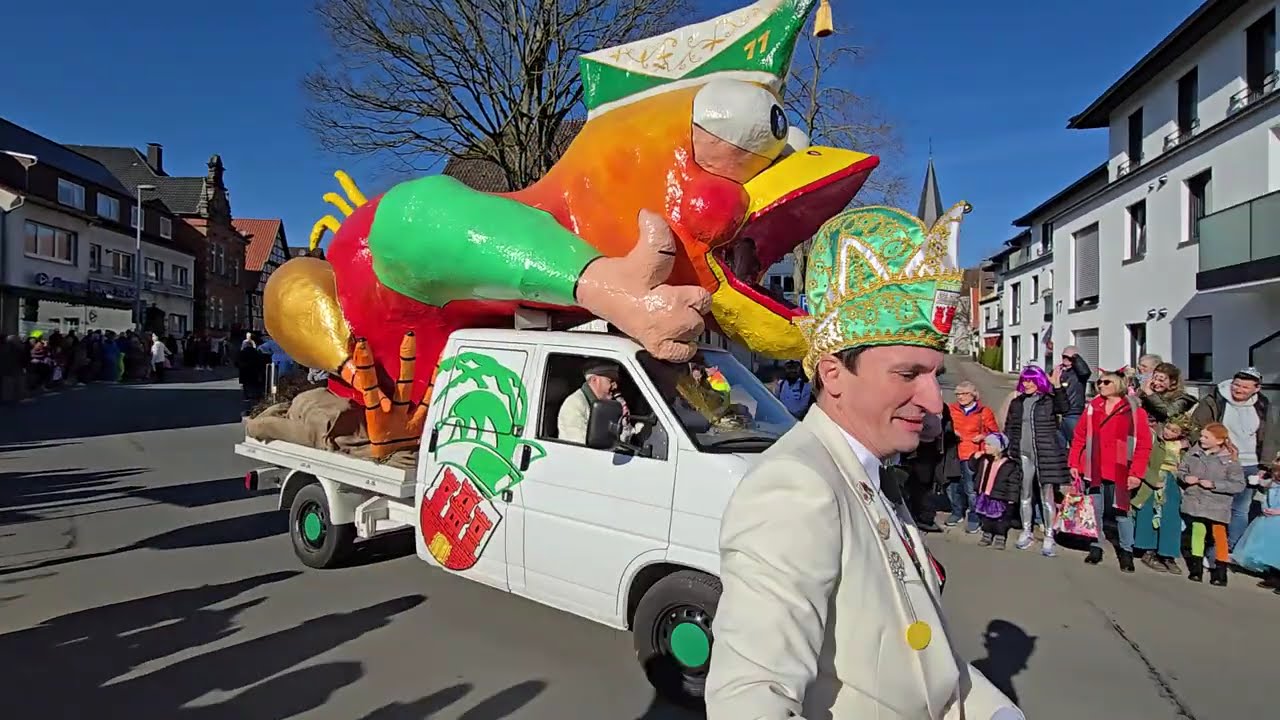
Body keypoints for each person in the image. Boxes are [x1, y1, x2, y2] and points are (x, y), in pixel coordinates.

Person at [706, 202, 1020, 720]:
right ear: (832, 374)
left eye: (934, 375)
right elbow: (751, 696)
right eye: (907, 374)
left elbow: (928, 661)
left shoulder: (868, 468)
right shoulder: (796, 486)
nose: (933, 400)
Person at [1068, 368, 1152, 573]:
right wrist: (1074, 463)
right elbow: (1079, 437)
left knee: (1121, 512)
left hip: (1122, 468)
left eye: (1106, 382)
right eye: (1100, 382)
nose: (1101, 386)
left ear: (1119, 385)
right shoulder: (1092, 408)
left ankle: (1126, 551)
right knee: (1095, 510)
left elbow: (1143, 445)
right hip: (1094, 466)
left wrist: (1136, 473)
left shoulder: (1134, 411)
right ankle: (1095, 546)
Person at [1190, 367, 1269, 549]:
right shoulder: (1216, 400)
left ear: (1256, 389)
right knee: (1216, 507)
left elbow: (1270, 434)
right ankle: (1210, 546)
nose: (1239, 390)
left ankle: (1231, 547)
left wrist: (1265, 463)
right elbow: (1197, 426)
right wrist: (1211, 449)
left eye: (1245, 387)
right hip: (1220, 461)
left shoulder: (1262, 404)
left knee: (1240, 509)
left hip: (1250, 463)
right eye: (1236, 385)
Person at [1005, 365, 1070, 557]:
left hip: (1045, 454)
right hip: (1023, 454)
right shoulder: (1017, 402)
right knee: (1024, 494)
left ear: (1039, 381)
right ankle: (1027, 531)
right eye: (1025, 380)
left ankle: (1049, 535)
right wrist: (1010, 448)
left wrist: (1057, 386)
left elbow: (1065, 408)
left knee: (1047, 496)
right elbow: (1010, 427)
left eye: (1031, 380)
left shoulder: (1048, 401)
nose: (1027, 384)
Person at [1179, 422, 1246, 586]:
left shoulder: (1230, 460)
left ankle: (1220, 571)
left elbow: (1238, 484)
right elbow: (1182, 470)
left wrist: (1215, 485)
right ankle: (1196, 570)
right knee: (1197, 531)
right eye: (1201, 435)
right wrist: (1185, 478)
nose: (1201, 439)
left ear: (1219, 440)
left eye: (1206, 437)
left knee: (1219, 535)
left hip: (1218, 504)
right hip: (1196, 500)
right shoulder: (1194, 453)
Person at [1134, 414, 1193, 574]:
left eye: (1174, 431)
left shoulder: (1185, 446)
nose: (1168, 432)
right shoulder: (1154, 439)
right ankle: (1148, 549)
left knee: (1171, 517)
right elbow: (1141, 460)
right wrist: (1151, 478)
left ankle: (1168, 554)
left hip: (1173, 482)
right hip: (1152, 481)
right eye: (1168, 428)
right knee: (1148, 514)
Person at [946, 381, 999, 531]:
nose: (960, 397)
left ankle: (974, 516)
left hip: (972, 454)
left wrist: (983, 436)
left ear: (973, 395)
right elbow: (943, 426)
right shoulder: (951, 410)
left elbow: (995, 433)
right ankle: (956, 512)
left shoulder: (984, 412)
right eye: (958, 394)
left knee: (971, 488)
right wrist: (951, 432)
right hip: (953, 452)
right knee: (952, 486)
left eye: (964, 394)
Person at [1232, 453, 1280, 594]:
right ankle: (1273, 575)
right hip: (1269, 518)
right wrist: (1259, 479)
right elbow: (1265, 485)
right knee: (1268, 547)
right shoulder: (1274, 481)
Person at [970, 433, 1022, 549]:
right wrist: (974, 458)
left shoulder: (1009, 465)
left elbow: (1013, 483)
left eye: (989, 444)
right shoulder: (984, 459)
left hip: (1000, 496)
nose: (985, 446)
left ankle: (1000, 536)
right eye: (986, 444)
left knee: (1001, 519)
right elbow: (972, 467)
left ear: (999, 448)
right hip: (984, 494)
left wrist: (1012, 499)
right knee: (985, 517)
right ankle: (987, 534)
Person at [557, 361, 622, 444]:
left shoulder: (605, 405)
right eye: (611, 381)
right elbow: (583, 445)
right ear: (594, 380)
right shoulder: (574, 405)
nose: (615, 386)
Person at [1056, 345, 1091, 446]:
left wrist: (1075, 357)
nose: (1066, 359)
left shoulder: (1078, 373)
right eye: (1064, 356)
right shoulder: (1059, 371)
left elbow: (1085, 371)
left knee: (1077, 444)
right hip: (1059, 414)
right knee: (1059, 446)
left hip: (1073, 412)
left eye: (1069, 357)